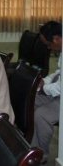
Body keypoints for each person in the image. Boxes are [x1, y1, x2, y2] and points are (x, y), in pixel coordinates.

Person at [32, 21, 62, 164]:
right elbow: (59, 73)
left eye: (49, 44)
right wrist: (45, 81)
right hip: (58, 92)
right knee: (30, 101)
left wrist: (45, 87)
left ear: (56, 39)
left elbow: (61, 87)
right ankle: (32, 148)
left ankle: (41, 155)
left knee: (41, 115)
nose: (49, 48)